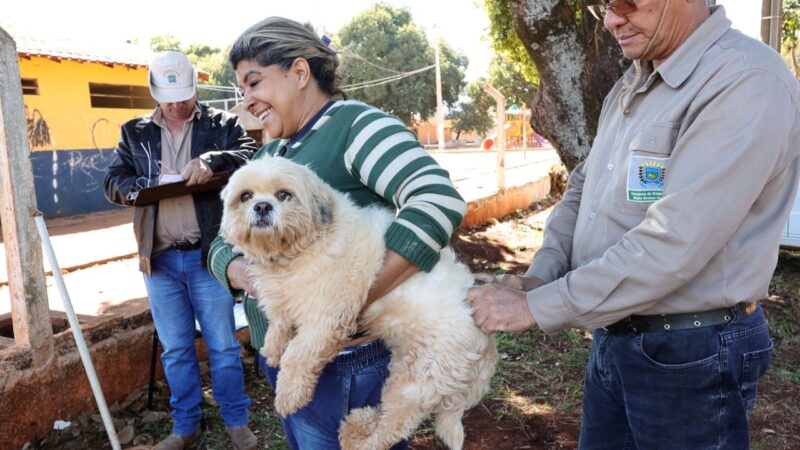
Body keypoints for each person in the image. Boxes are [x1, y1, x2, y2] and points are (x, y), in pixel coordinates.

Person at [468, 2, 800, 449]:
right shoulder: (637, 77)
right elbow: (584, 187)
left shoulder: (744, 80)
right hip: (616, 335)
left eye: (627, 3)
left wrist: (537, 307)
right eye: (603, 5)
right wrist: (539, 278)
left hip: (691, 352)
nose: (610, 21)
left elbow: (673, 242)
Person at [207, 17, 467, 450]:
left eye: (254, 83)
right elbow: (221, 239)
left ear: (300, 72)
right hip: (284, 352)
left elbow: (437, 200)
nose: (246, 100)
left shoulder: (355, 126)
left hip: (343, 362)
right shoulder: (273, 151)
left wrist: (345, 306)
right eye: (242, 89)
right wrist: (244, 273)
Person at [103, 51, 259, 450]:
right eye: (168, 97)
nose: (176, 104)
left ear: (194, 88)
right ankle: (185, 424)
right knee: (175, 349)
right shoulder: (134, 131)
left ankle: (236, 421)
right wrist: (138, 187)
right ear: (155, 92)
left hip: (210, 255)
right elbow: (114, 179)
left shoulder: (221, 125)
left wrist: (213, 160)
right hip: (160, 260)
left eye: (183, 95)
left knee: (222, 345)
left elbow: (250, 154)